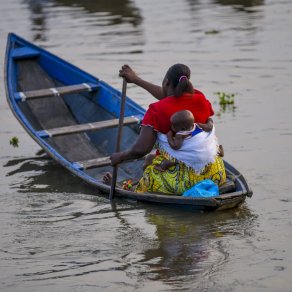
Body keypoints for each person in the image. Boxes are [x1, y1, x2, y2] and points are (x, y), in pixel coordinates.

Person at [108, 64, 226, 194]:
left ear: (166, 82)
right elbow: (170, 98)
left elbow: (141, 149)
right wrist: (136, 80)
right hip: (215, 174)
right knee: (153, 157)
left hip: (182, 183)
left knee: (149, 162)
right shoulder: (201, 99)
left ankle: (125, 189)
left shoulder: (156, 110)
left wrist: (120, 156)